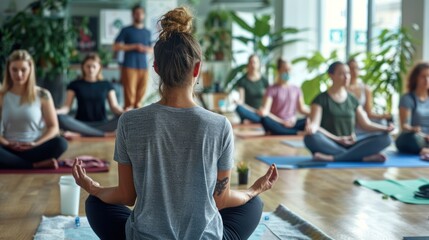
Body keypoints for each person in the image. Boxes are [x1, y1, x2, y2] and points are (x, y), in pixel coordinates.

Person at [72, 7, 278, 240]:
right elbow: (221, 199)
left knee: (96, 204)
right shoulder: (220, 125)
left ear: (156, 68)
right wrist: (254, 189)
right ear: (197, 68)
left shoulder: (129, 122)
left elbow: (127, 196)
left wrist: (93, 187)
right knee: (254, 204)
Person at [304, 61, 393, 162]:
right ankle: (360, 157)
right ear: (331, 76)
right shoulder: (320, 99)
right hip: (329, 143)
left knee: (386, 138)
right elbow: (315, 125)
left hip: (351, 143)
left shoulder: (352, 99)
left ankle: (334, 158)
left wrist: (385, 128)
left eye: (348, 73)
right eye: (341, 74)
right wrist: (336, 139)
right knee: (310, 138)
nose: (346, 77)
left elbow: (366, 124)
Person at [0, 50, 68, 169]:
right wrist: (7, 143)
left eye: (23, 70)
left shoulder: (43, 94)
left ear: (30, 70)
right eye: (14, 69)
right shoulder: (2, 95)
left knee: (61, 143)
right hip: (8, 148)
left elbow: (54, 127)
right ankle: (34, 165)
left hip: (34, 147)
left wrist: (35, 144)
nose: (19, 74)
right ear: (8, 70)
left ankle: (16, 164)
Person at [56, 53, 126, 138]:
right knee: (60, 118)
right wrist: (56, 112)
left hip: (103, 124)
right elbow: (67, 107)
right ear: (83, 67)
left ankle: (81, 134)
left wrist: (125, 112)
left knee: (124, 118)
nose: (91, 69)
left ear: (99, 67)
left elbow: (114, 107)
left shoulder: (107, 84)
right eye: (88, 66)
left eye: (94, 66)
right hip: (80, 124)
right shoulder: (74, 84)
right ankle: (104, 135)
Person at [113, 4, 153, 109]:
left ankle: (138, 121)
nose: (139, 15)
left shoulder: (147, 32)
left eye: (141, 13)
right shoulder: (126, 30)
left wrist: (143, 48)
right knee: (129, 98)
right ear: (133, 15)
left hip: (144, 67)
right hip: (129, 65)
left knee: (140, 99)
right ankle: (127, 120)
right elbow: (116, 46)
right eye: (136, 13)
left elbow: (152, 49)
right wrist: (134, 46)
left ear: (143, 15)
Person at [258, 58, 310, 135]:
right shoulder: (271, 89)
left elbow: (301, 109)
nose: (288, 72)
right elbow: (266, 111)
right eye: (285, 70)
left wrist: (313, 114)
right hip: (277, 123)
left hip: (292, 123)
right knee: (264, 119)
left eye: (289, 70)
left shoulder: (296, 89)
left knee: (310, 120)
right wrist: (283, 122)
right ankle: (297, 133)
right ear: (279, 71)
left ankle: (289, 132)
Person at [346, 59, 392, 135]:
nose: (354, 71)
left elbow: (369, 113)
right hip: (348, 121)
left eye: (357, 68)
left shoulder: (366, 89)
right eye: (351, 68)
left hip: (363, 121)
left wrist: (384, 116)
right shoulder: (343, 88)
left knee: (382, 122)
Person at [395, 62, 429, 159]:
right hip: (415, 137)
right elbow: (405, 126)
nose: (427, 80)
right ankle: (424, 150)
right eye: (423, 77)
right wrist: (416, 131)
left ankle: (425, 151)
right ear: (416, 78)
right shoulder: (407, 99)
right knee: (413, 138)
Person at [235, 54, 269, 123]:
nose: (253, 64)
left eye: (255, 62)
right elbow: (241, 100)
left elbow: (267, 99)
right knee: (239, 108)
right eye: (251, 62)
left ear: (259, 64)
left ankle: (254, 120)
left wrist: (263, 109)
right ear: (248, 64)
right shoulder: (242, 81)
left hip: (261, 112)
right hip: (249, 111)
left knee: (265, 114)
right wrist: (238, 102)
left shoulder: (264, 80)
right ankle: (253, 119)